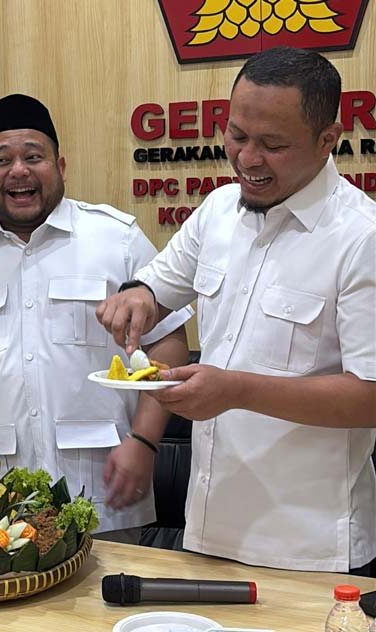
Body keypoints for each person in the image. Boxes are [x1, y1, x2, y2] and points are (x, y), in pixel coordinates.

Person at [97, 47, 376, 572]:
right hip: (208, 531)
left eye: (272, 144)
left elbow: (369, 396)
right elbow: (156, 289)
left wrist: (237, 390)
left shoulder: (362, 239)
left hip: (311, 548)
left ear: (326, 140)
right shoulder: (219, 212)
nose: (247, 159)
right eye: (237, 136)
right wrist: (135, 298)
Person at [0, 94, 192, 540]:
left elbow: (167, 342)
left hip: (103, 495)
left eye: (34, 156)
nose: (19, 171)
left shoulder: (116, 239)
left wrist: (145, 444)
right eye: (2, 160)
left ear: (61, 166)